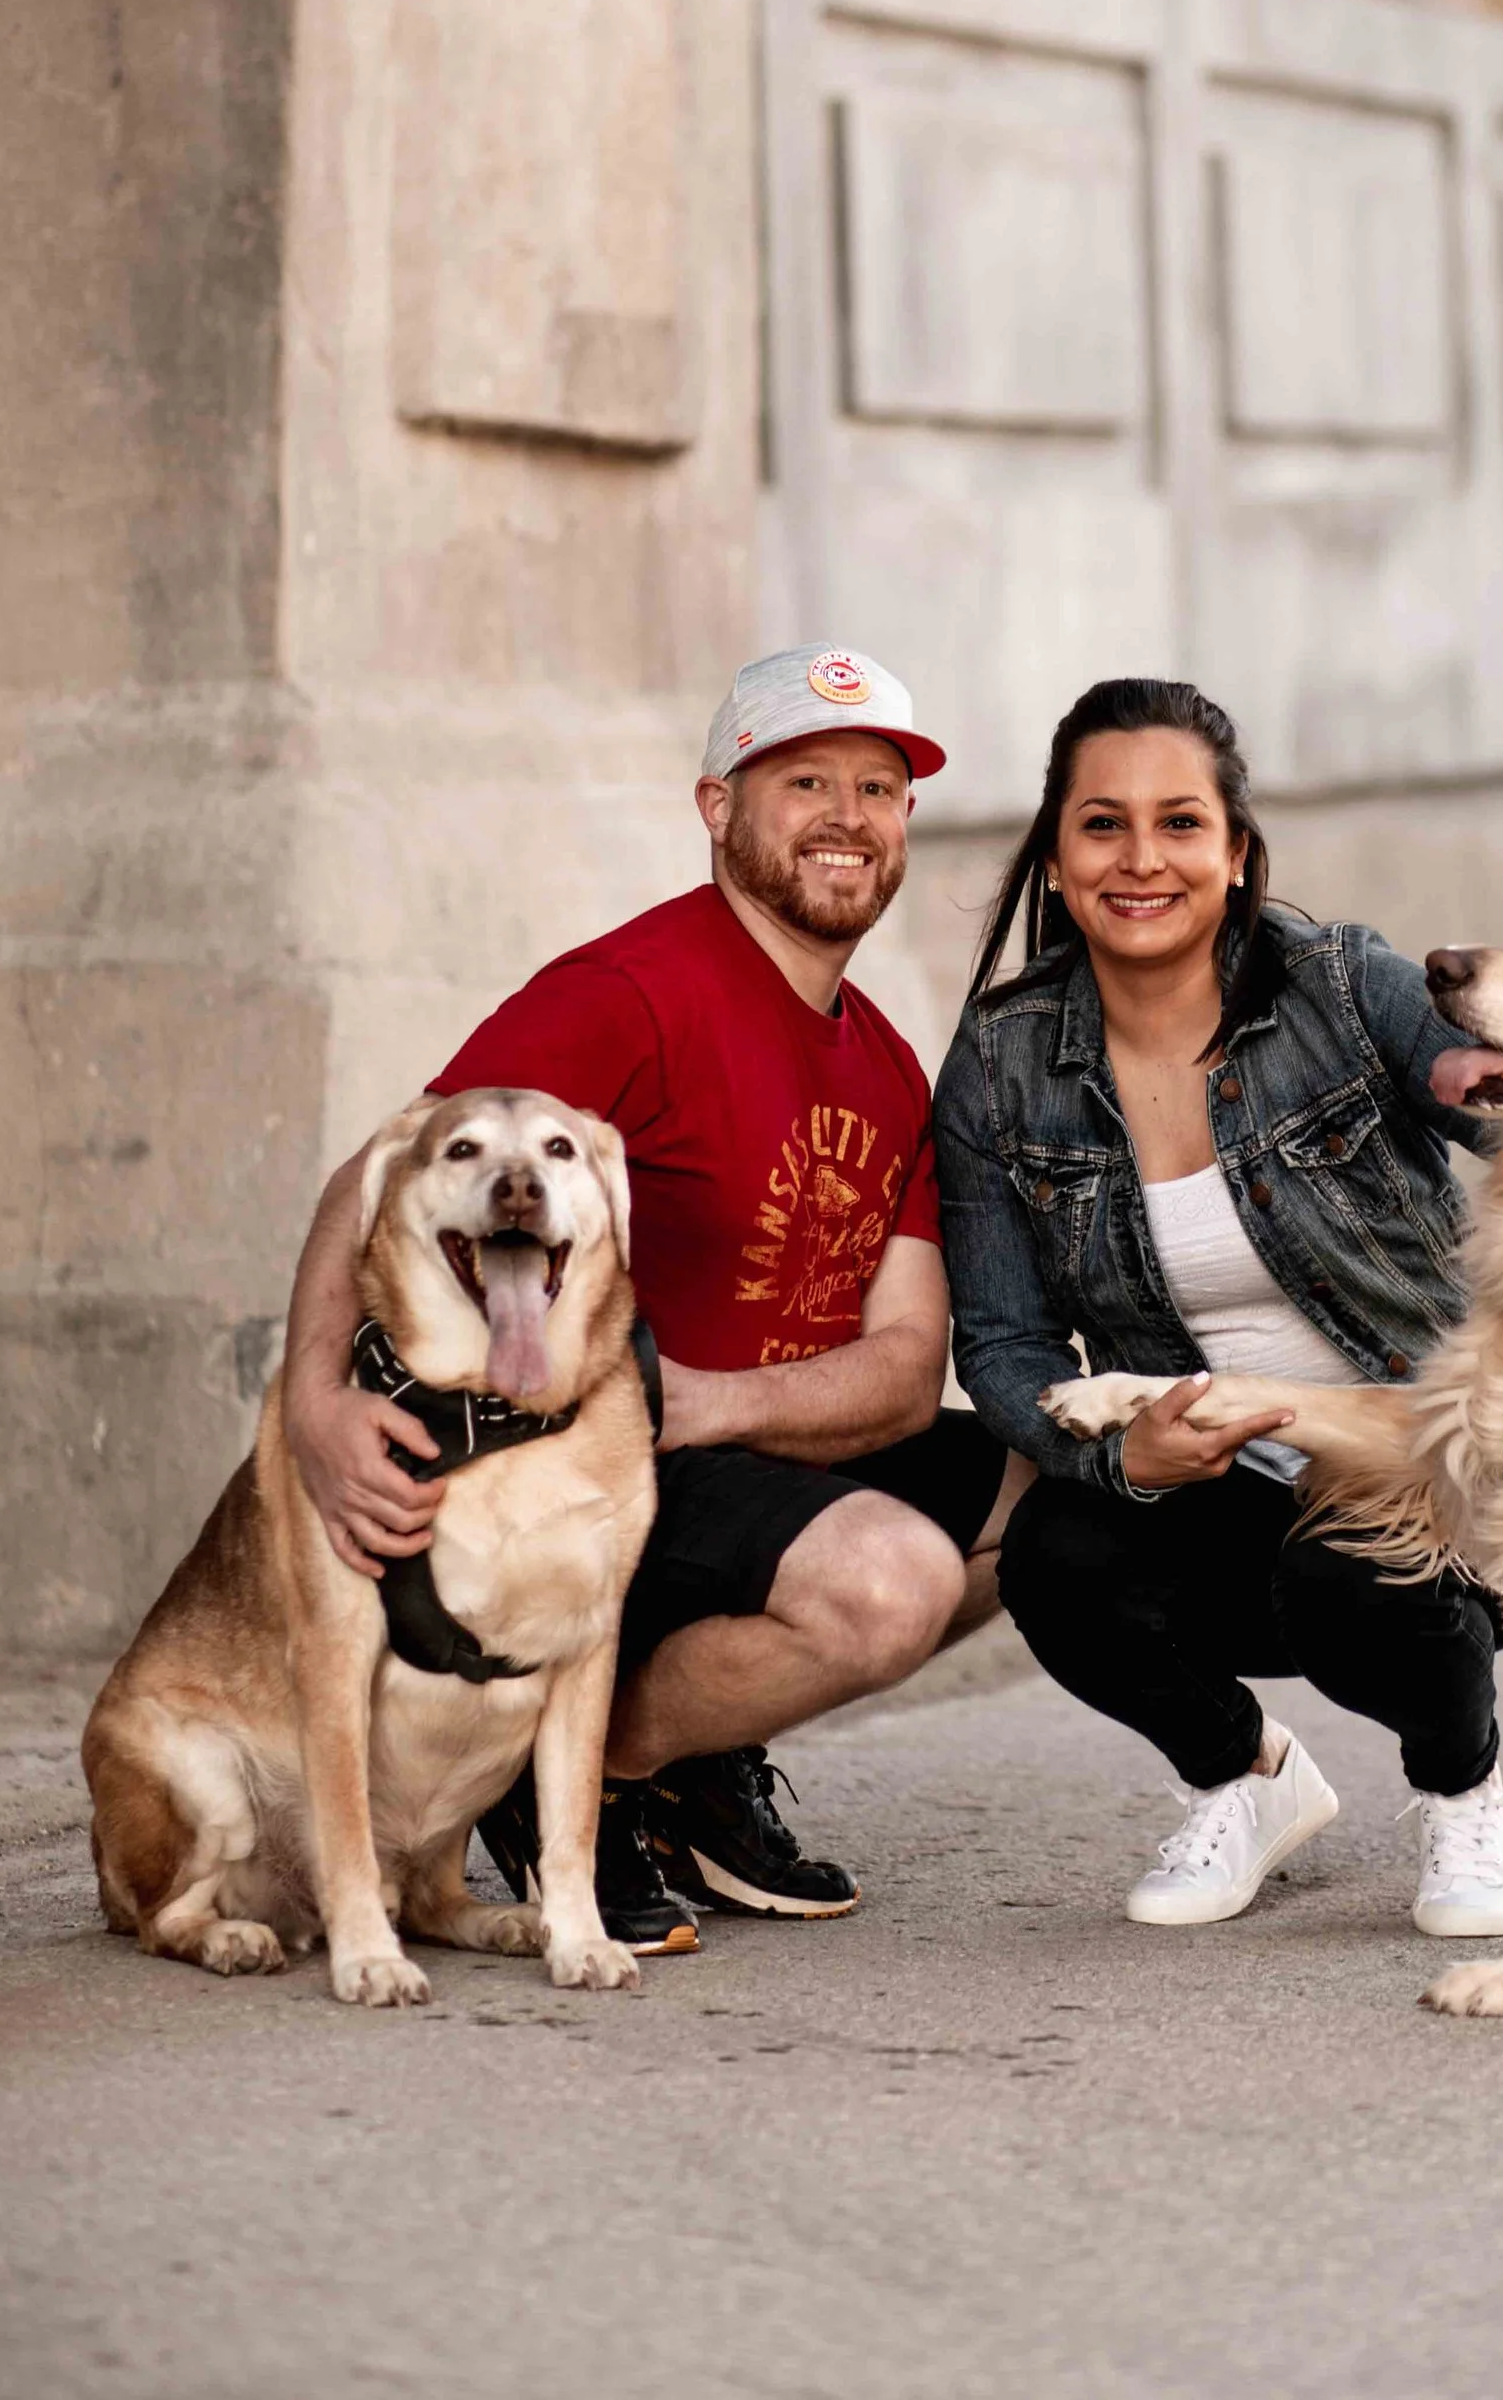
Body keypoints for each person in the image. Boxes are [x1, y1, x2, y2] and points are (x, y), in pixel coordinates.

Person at [281, 645, 1025, 1953]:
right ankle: (560, 1770)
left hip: (717, 1435)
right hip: (576, 1470)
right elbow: (384, 1167)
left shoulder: (891, 1063)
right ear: (717, 806)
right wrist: (312, 1400)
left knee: (1054, 1497)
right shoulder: (629, 994)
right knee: (889, 1581)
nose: (847, 817)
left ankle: (684, 1758)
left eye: (876, 785)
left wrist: (702, 1403)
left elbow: (909, 1366)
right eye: (804, 781)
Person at [934, 676, 1503, 1942]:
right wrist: (1114, 1449)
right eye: (1101, 825)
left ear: (1236, 850)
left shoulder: (1341, 988)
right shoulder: (1000, 1063)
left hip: (1431, 1462)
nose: (1140, 860)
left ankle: (1462, 1787)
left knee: (1350, 1582)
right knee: (1058, 1558)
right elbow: (1002, 1344)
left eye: (1179, 823)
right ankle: (1244, 1777)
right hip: (1220, 1472)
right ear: (1054, 851)